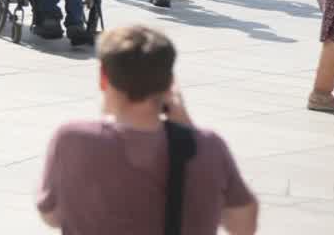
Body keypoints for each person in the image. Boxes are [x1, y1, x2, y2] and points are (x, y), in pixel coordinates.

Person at [37, 26, 259, 234]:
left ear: (104, 78)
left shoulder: (73, 139)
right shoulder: (209, 147)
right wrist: (189, 133)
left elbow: (51, 216)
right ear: (169, 83)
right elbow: (244, 225)